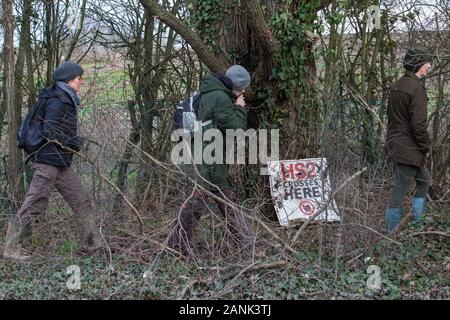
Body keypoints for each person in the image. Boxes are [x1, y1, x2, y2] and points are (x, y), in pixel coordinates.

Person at [3, 61, 103, 262]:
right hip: (48, 162)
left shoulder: (64, 98)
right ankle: (10, 248)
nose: (80, 81)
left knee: (81, 199)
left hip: (60, 162)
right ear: (69, 80)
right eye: (78, 78)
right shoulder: (59, 100)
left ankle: (92, 244)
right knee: (34, 203)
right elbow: (49, 130)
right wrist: (74, 142)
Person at [168, 65, 255, 256]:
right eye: (242, 88)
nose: (243, 92)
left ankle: (246, 243)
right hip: (208, 159)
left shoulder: (208, 91)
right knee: (198, 203)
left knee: (225, 198)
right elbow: (237, 130)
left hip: (207, 155)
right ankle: (175, 244)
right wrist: (240, 108)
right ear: (236, 86)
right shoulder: (220, 97)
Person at [385, 48, 433, 233]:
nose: (429, 66)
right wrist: (425, 144)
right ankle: (391, 232)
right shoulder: (416, 89)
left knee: (424, 181)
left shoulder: (398, 85)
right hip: (409, 146)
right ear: (418, 64)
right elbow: (418, 125)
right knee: (400, 187)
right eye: (427, 62)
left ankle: (417, 224)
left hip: (396, 143)